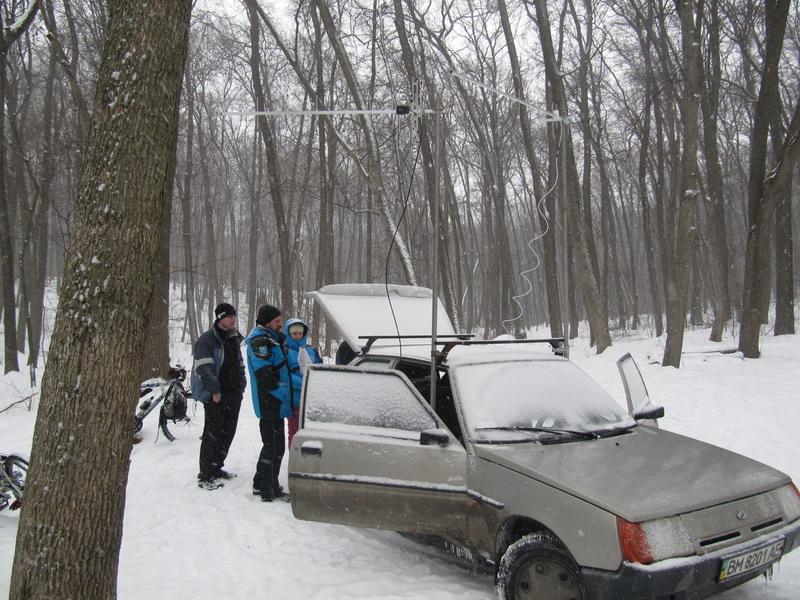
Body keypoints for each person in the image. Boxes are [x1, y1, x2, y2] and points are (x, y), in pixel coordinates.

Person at [191, 302, 246, 491]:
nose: (232, 319)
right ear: (220, 318)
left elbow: (239, 364)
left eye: (234, 316)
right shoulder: (208, 339)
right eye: (229, 316)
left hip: (233, 394)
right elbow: (204, 368)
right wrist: (214, 391)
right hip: (217, 395)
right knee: (212, 435)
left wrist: (242, 384)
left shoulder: (233, 338)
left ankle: (217, 467)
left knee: (227, 433)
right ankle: (206, 473)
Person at [246, 304, 292, 502]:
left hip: (277, 400)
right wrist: (281, 392)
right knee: (272, 446)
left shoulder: (273, 339)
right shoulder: (259, 342)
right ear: (267, 322)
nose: (280, 325)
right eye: (276, 322)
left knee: (276, 445)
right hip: (269, 401)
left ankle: (262, 482)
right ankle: (267, 488)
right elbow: (265, 374)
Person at [284, 318, 323, 448]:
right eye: (294, 333)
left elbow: (319, 368)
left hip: (312, 398)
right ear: (288, 333)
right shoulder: (285, 351)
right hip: (295, 399)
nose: (297, 335)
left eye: (300, 332)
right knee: (295, 431)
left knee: (311, 432)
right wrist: (304, 383)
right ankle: (294, 458)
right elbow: (285, 375)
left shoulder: (311, 350)